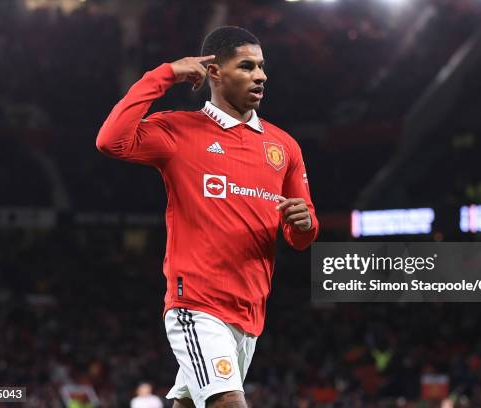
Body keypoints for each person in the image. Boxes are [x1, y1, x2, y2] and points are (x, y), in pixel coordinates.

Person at [96, 26, 319, 408]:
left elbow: (301, 236)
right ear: (215, 72)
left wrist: (304, 222)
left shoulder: (284, 146)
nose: (261, 76)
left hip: (249, 311)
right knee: (229, 402)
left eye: (262, 67)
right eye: (247, 66)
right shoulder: (179, 130)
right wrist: (164, 75)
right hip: (197, 303)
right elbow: (111, 141)